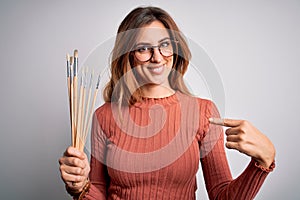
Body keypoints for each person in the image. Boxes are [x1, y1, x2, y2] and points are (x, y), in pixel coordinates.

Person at [59, 6, 275, 200]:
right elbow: (98, 192)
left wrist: (263, 162)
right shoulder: (104, 116)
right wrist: (80, 188)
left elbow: (221, 196)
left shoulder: (203, 112)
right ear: (128, 55)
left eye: (165, 45)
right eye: (144, 48)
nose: (157, 57)